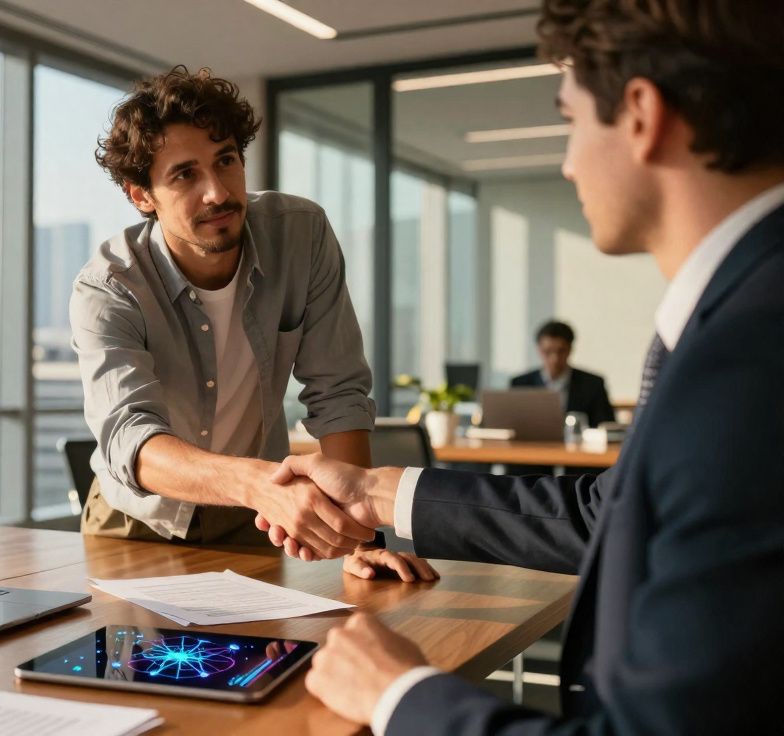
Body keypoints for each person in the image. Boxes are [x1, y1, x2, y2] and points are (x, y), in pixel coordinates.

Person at [259, 0, 784, 731]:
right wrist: (378, 492)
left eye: (570, 120)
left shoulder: (748, 368)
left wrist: (399, 694)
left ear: (640, 114)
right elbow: (605, 513)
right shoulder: (738, 318)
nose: (568, 160)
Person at [70, 66, 435, 581]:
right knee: (136, 664)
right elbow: (131, 440)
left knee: (267, 660)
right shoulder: (109, 287)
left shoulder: (300, 236)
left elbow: (338, 392)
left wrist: (361, 540)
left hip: (253, 520)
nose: (217, 192)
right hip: (135, 524)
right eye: (185, 175)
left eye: (226, 162)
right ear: (140, 195)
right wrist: (260, 483)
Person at [511, 320, 615, 427]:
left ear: (570, 349)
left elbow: (606, 426)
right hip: (532, 443)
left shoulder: (593, 384)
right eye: (548, 351)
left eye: (561, 351)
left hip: (578, 443)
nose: (554, 359)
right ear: (539, 350)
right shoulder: (520, 384)